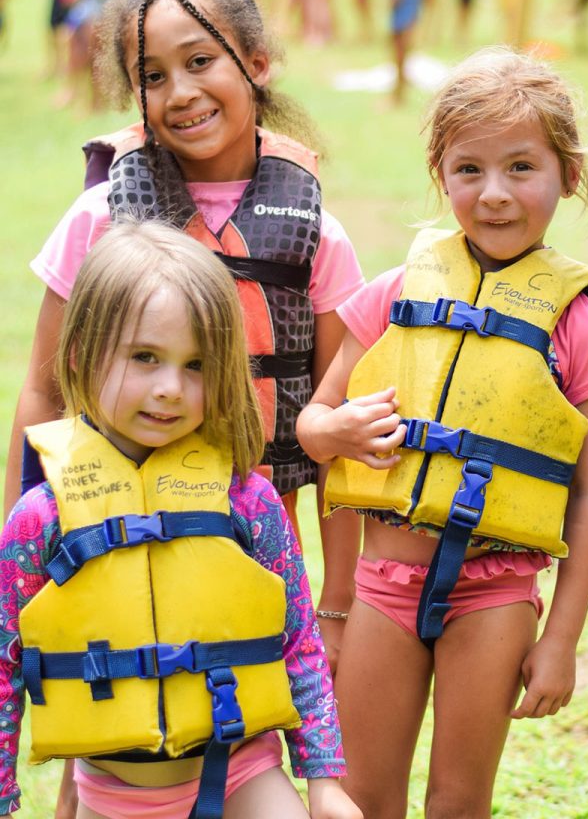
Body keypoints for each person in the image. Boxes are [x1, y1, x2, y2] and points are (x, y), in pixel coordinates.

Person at [296, 46, 588, 818]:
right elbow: (313, 426)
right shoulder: (390, 295)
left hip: (498, 594)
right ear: (441, 175)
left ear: (566, 175)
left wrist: (562, 640)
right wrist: (338, 429)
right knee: (358, 797)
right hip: (383, 586)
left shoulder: (577, 329)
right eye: (468, 170)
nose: (494, 195)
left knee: (458, 801)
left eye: (522, 168)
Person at [5, 0, 364, 664]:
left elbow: (333, 425)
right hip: (105, 534)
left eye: (200, 61)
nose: (181, 92)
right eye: (154, 75)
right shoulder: (96, 220)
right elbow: (44, 390)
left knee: (248, 733)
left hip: (257, 543)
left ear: (256, 65)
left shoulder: (319, 236)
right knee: (105, 727)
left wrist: (340, 600)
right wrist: (22, 540)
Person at [0, 221, 360, 819]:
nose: (171, 388)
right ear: (81, 352)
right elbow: (4, 664)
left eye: (196, 365)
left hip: (243, 773)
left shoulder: (246, 501)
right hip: (113, 797)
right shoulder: (39, 519)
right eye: (146, 357)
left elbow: (298, 643)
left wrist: (323, 780)